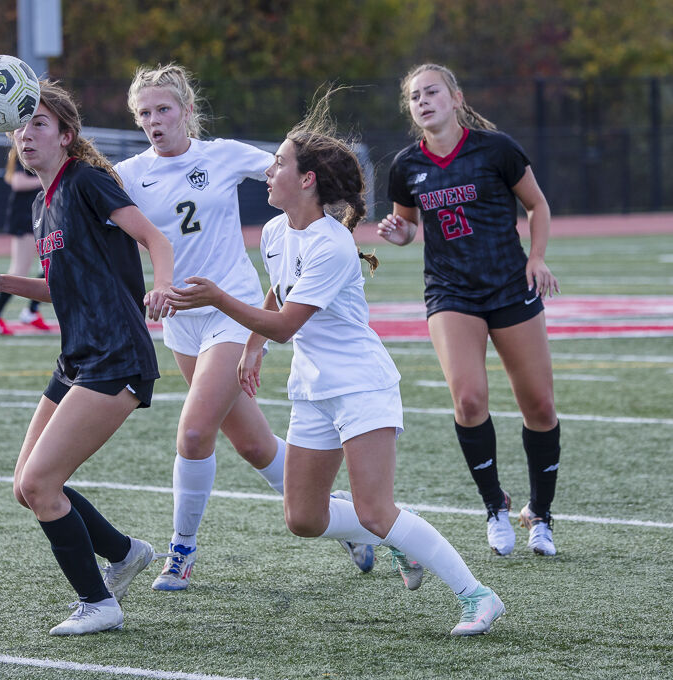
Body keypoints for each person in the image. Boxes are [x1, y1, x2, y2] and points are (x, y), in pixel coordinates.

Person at [167, 92, 504, 636]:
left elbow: (283, 324)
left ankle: (477, 595)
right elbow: (278, 296)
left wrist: (220, 302)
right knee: (303, 519)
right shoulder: (276, 232)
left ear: (306, 181)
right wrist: (252, 348)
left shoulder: (332, 244)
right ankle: (397, 540)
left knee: (375, 509)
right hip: (312, 389)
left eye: (279, 162)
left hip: (361, 385)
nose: (269, 170)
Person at [114, 63, 374, 591]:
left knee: (192, 431)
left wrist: (335, 224)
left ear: (187, 110)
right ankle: (343, 516)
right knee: (255, 447)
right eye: (144, 113)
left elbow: (298, 175)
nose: (155, 120)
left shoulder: (222, 155)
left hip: (230, 313)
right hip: (182, 325)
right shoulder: (127, 175)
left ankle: (180, 551)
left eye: (164, 109)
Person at [0, 80, 177, 636]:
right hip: (77, 356)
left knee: (41, 485)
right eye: (20, 124)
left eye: (39, 123)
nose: (26, 133)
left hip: (117, 355)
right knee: (26, 487)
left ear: (65, 135)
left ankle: (99, 604)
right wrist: (3, 282)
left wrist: (162, 287)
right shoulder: (41, 202)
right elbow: (62, 287)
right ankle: (126, 552)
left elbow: (157, 240)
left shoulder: (86, 182)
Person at [379, 63, 562, 557]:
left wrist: (538, 257)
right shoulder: (406, 166)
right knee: (469, 400)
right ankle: (494, 507)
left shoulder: (495, 148)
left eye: (432, 91)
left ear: (455, 97)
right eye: (415, 96)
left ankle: (541, 514)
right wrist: (399, 234)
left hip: (508, 284)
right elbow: (406, 225)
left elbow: (537, 206)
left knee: (539, 405)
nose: (423, 101)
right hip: (450, 292)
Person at [0, 154, 52, 335]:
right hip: (24, 219)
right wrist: (47, 179)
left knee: (52, 262)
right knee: (19, 269)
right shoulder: (25, 153)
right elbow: (18, 183)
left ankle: (31, 311)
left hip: (41, 216)